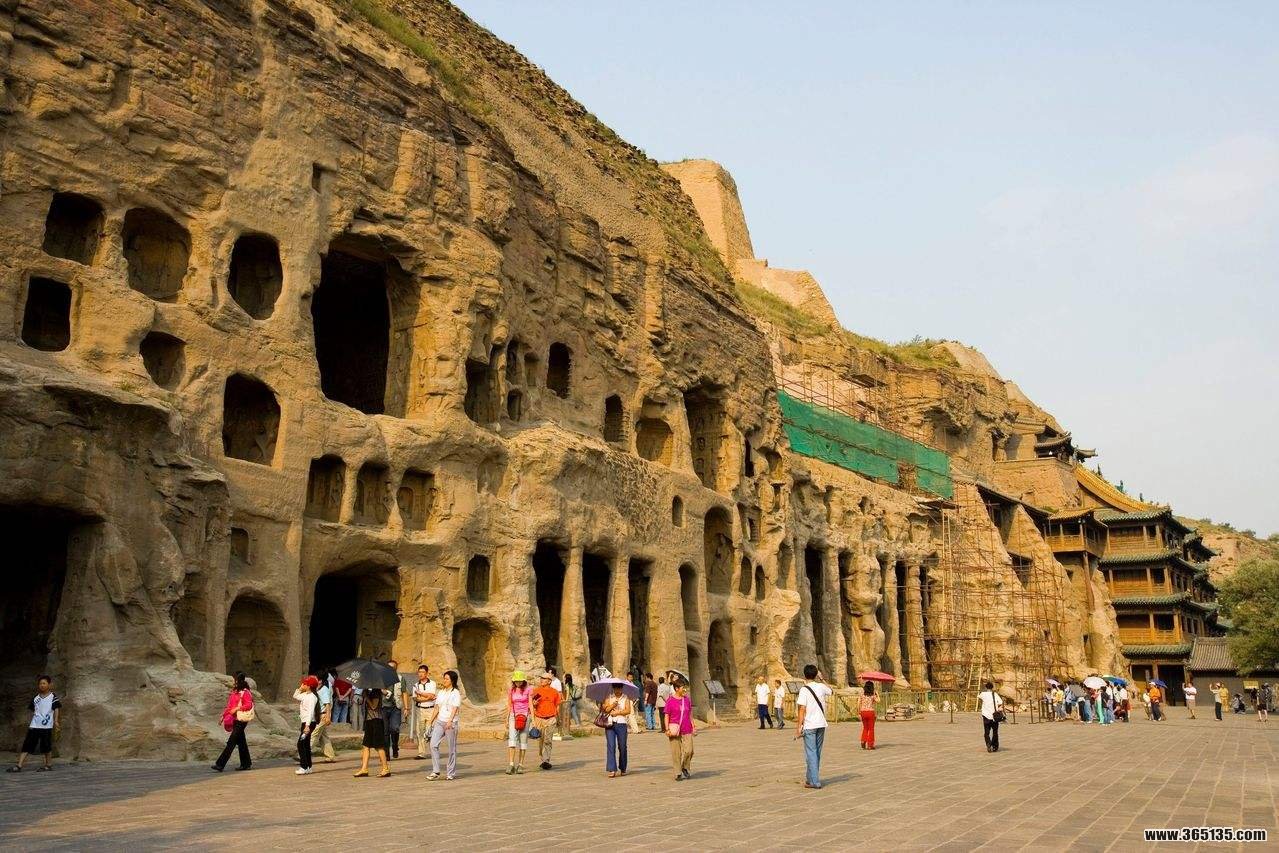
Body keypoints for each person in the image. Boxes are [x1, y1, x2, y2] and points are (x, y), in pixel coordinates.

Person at [8, 675, 62, 773]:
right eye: (40, 683)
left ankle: (48, 765)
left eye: (44, 683)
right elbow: (34, 710)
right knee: (27, 745)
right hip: (34, 725)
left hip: (46, 726)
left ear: (49, 685)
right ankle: (19, 766)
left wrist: (56, 721)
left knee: (46, 746)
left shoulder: (53, 697)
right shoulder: (36, 698)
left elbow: (56, 708)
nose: (42, 685)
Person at [794, 664, 831, 789]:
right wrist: (822, 679)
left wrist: (798, 728)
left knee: (811, 753)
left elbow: (802, 709)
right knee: (816, 753)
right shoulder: (821, 686)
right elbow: (831, 691)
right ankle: (810, 779)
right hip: (821, 724)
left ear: (805, 675)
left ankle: (815, 781)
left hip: (810, 725)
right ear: (816, 675)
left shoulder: (804, 690)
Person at [212, 671, 253, 772]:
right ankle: (246, 764)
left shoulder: (245, 692)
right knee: (241, 742)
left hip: (241, 720)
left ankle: (220, 764)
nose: (233, 681)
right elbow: (229, 706)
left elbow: (249, 705)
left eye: (234, 679)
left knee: (231, 742)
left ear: (238, 680)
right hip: (235, 719)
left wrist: (237, 708)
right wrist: (223, 716)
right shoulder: (234, 692)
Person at [428, 670, 461, 780]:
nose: (444, 680)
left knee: (451, 748)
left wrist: (450, 721)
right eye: (444, 678)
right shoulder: (441, 692)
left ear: (452, 681)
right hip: (440, 721)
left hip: (450, 723)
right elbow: (437, 707)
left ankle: (450, 773)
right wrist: (430, 721)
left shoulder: (455, 693)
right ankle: (436, 771)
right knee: (433, 744)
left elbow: (455, 708)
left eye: (447, 679)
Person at [354, 688, 390, 777]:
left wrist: (366, 697)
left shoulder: (376, 691)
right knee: (366, 746)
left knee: (379, 746)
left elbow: (374, 706)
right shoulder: (368, 691)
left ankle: (385, 768)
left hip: (376, 721)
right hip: (369, 721)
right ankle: (364, 769)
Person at [664, 677, 694, 780]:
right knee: (676, 752)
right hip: (674, 729)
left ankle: (684, 767)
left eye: (685, 687)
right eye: (682, 688)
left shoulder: (687, 700)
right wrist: (667, 729)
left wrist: (693, 726)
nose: (684, 689)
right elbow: (666, 715)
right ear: (676, 689)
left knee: (689, 750)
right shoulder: (670, 701)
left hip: (687, 728)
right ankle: (677, 772)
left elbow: (690, 714)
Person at [601, 682, 632, 777]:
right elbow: (606, 709)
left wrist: (618, 712)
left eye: (619, 688)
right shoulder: (609, 697)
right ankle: (612, 769)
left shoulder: (626, 697)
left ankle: (623, 767)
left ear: (622, 688)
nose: (617, 690)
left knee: (622, 746)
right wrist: (612, 706)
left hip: (621, 723)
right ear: (613, 688)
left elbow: (628, 710)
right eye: (615, 688)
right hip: (610, 723)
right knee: (611, 745)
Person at [531, 671, 561, 770]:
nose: (541, 680)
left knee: (548, 740)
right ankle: (542, 758)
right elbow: (531, 705)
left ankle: (546, 760)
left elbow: (557, 706)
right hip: (539, 718)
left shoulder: (555, 692)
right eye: (541, 678)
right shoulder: (536, 691)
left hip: (551, 719)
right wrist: (534, 704)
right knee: (541, 741)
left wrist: (558, 718)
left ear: (549, 681)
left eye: (544, 678)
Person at [506, 671, 532, 774]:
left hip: (525, 715)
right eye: (516, 681)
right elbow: (509, 704)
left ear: (523, 681)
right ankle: (511, 764)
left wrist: (533, 720)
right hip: (513, 715)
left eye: (520, 681)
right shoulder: (511, 690)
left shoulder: (528, 689)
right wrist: (507, 718)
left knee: (523, 740)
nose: (518, 683)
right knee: (512, 739)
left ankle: (520, 764)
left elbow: (530, 704)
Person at [293, 675, 319, 775]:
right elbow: (295, 696)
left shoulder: (312, 697)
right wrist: (300, 689)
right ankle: (308, 766)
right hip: (305, 722)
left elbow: (310, 712)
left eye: (304, 684)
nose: (302, 684)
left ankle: (303, 766)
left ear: (309, 686)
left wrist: (307, 726)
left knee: (301, 744)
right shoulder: (305, 695)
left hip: (309, 723)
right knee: (306, 744)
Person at [411, 665, 437, 760]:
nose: (420, 674)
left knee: (430, 731)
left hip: (431, 709)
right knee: (420, 731)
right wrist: (427, 698)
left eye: (422, 672)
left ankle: (433, 751)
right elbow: (415, 698)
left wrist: (421, 694)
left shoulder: (432, 683)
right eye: (419, 672)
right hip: (420, 710)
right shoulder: (415, 685)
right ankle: (421, 753)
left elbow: (432, 695)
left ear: (426, 673)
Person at [383, 659, 407, 759]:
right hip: (383, 707)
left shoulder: (400, 678)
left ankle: (395, 746)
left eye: (393, 667)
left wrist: (406, 708)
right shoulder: (382, 678)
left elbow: (404, 692)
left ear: (396, 668)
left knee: (394, 728)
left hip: (396, 707)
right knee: (385, 731)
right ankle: (386, 753)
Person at [311, 674, 336, 763]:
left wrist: (328, 716)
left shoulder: (324, 690)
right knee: (323, 737)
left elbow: (327, 704)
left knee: (314, 734)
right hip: (320, 715)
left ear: (320, 681)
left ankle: (303, 753)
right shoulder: (319, 689)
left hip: (323, 715)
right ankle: (330, 756)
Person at [978, 680, 1004, 753]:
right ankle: (995, 746)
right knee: (995, 732)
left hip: (986, 715)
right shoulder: (994, 694)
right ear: (992, 688)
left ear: (986, 687)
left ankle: (988, 744)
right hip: (994, 716)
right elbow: (1000, 702)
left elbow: (979, 696)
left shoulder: (983, 694)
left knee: (986, 732)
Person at [858, 681, 877, 750]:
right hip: (870, 712)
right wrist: (877, 694)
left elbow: (858, 703)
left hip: (863, 712)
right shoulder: (872, 695)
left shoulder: (862, 694)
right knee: (871, 729)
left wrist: (859, 712)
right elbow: (878, 700)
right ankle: (870, 745)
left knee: (865, 728)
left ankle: (863, 741)